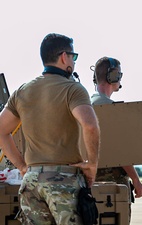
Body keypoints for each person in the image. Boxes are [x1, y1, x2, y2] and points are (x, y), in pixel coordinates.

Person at [0, 33, 100, 224]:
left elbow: (1, 130)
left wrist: (22, 167)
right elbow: (90, 125)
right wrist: (92, 164)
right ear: (64, 57)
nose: (74, 61)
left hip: (31, 182)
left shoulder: (22, 91)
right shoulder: (73, 89)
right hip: (64, 182)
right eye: (74, 56)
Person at [91, 56, 142, 220]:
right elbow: (121, 152)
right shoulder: (108, 107)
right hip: (111, 184)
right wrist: (135, 179)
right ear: (112, 76)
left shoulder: (86, 104)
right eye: (119, 74)